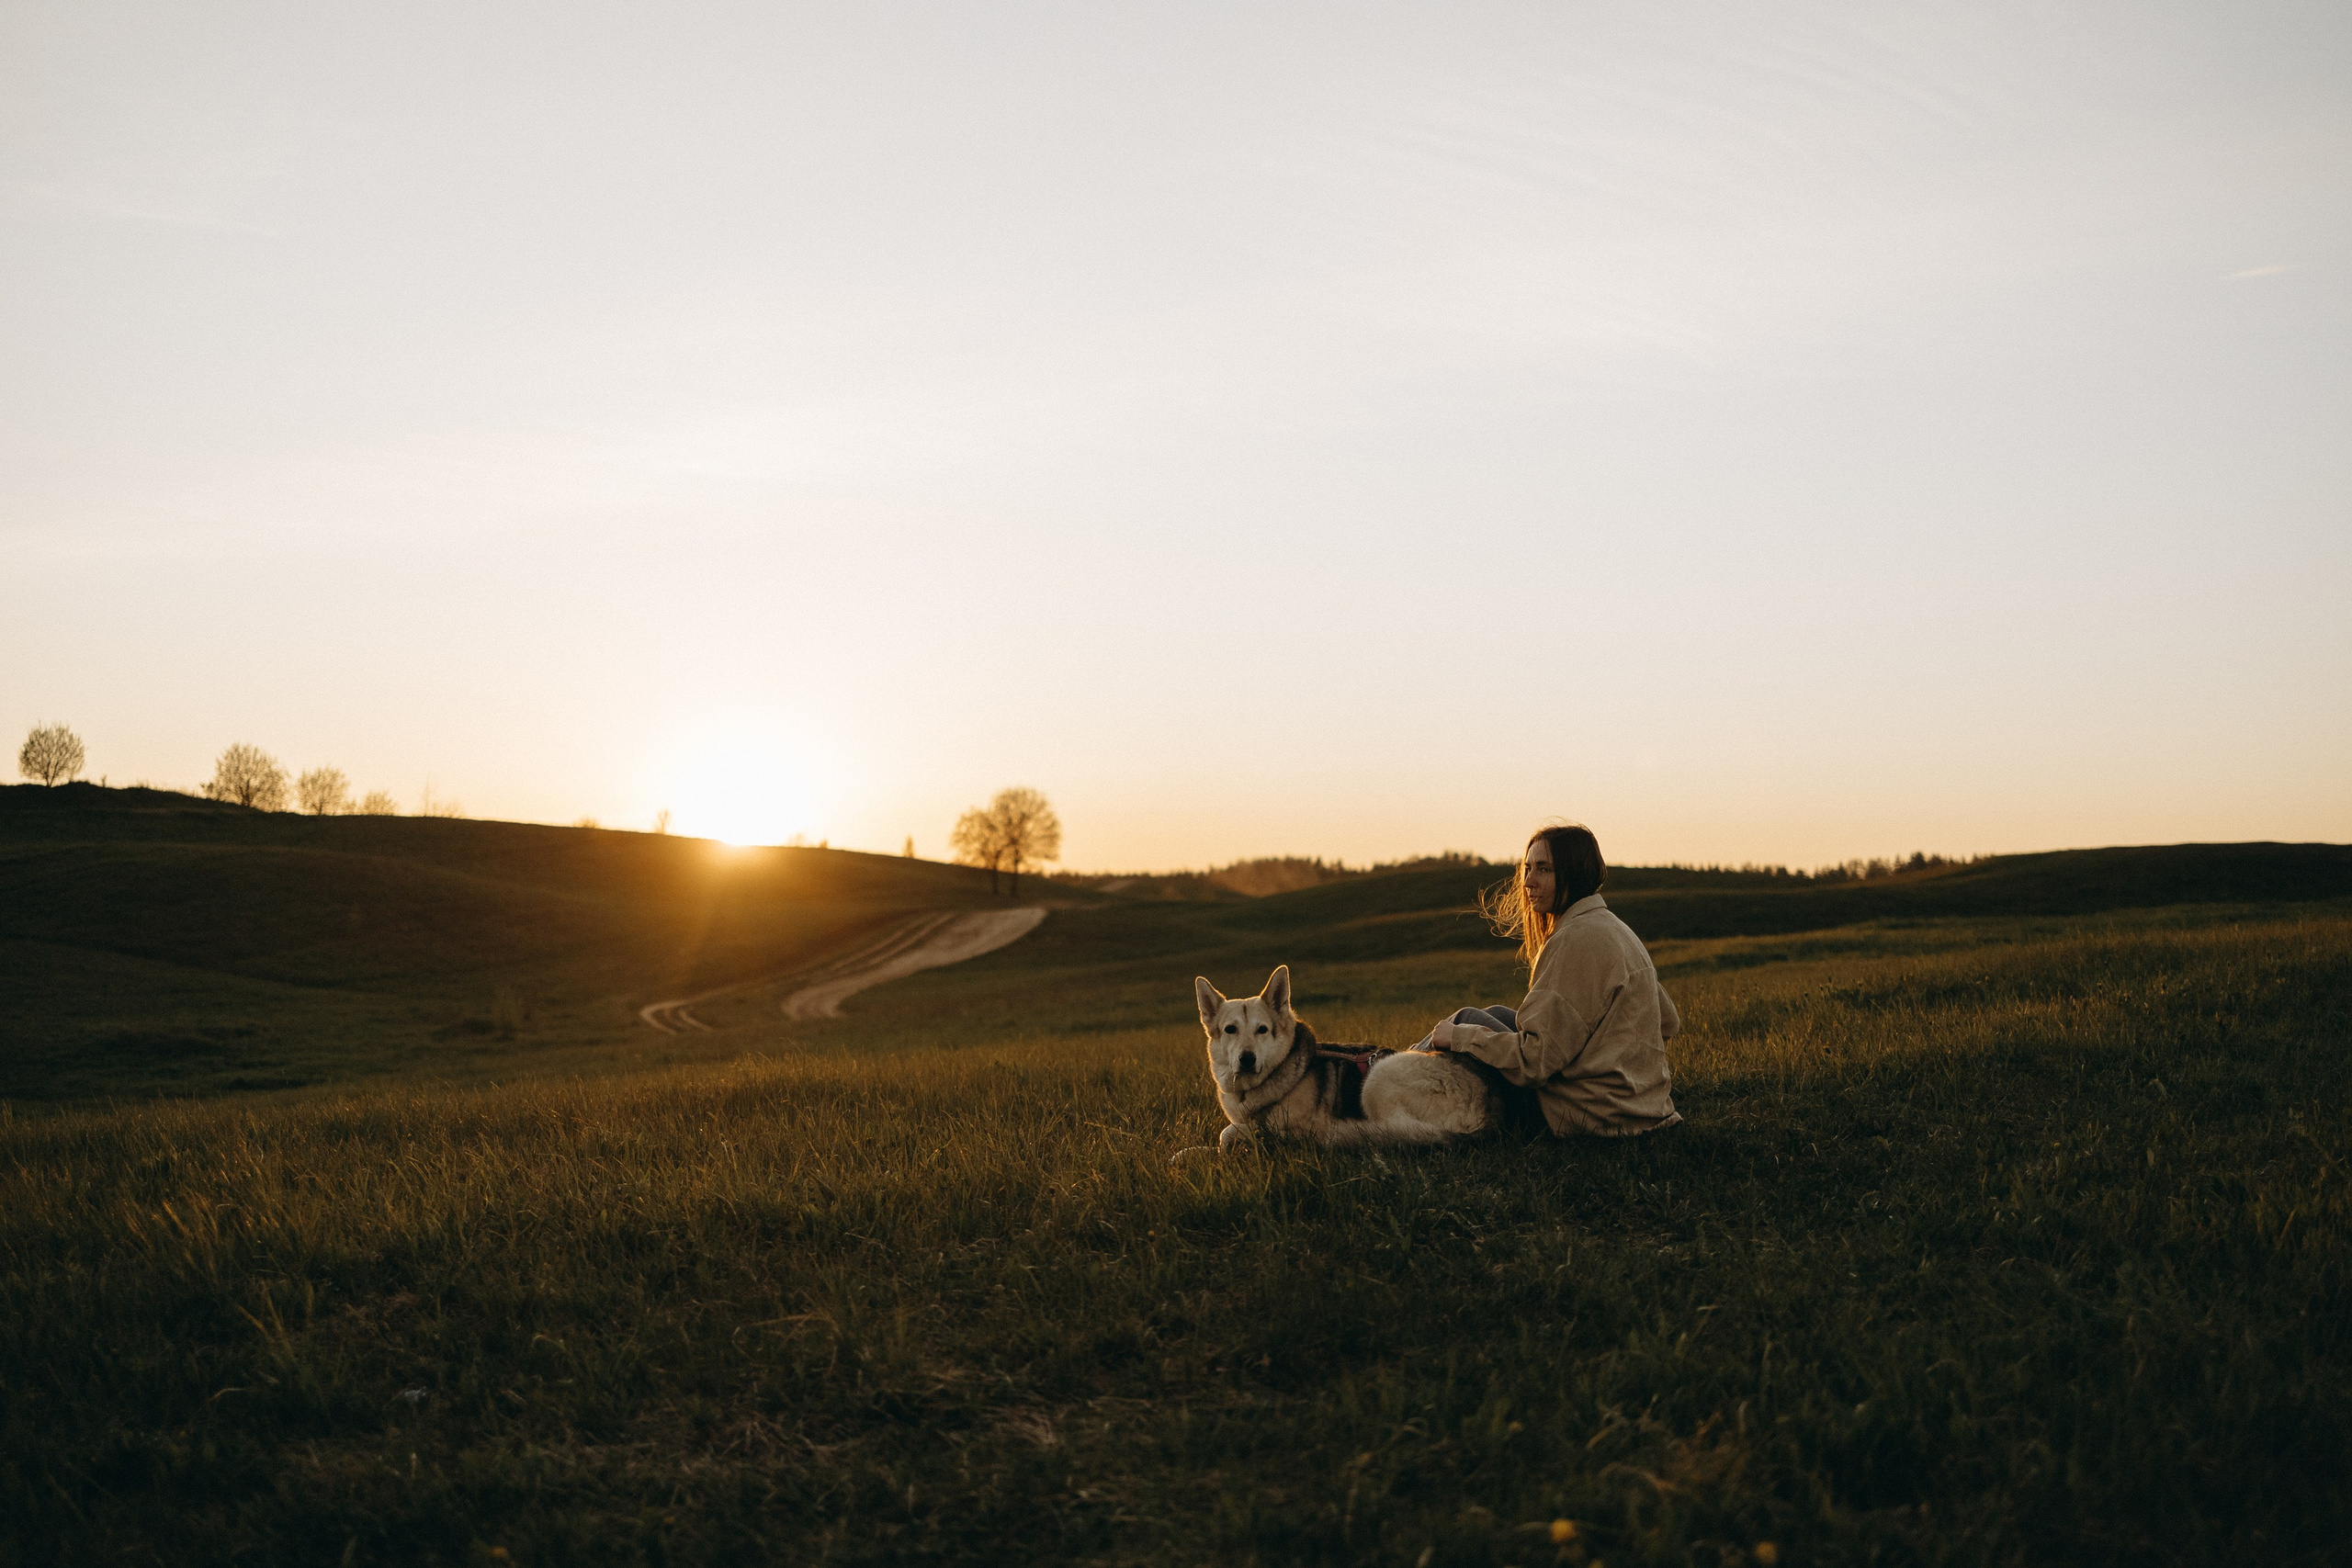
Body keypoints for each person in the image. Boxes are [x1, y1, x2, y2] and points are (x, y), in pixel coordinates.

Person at [1414, 822, 1682, 1137]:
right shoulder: (1615, 928)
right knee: (1499, 1015)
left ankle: (1379, 1076)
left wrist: (1459, 1038)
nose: (1528, 881)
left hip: (1588, 1114)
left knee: (1466, 1020)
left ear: (1574, 873)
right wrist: (1610, 1059)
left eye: (1544, 869)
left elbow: (1534, 1062)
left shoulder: (1576, 939)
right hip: (1633, 1106)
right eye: (1527, 868)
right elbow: (1668, 1021)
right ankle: (1385, 1068)